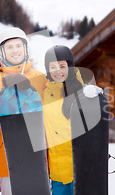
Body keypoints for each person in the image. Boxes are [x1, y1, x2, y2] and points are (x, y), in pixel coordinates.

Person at [0, 27, 47, 195]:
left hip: (35, 154)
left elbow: (51, 105)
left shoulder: (40, 77)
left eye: (18, 46)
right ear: (2, 52)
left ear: (25, 49)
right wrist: (7, 88)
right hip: (7, 154)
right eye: (9, 47)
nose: (15, 50)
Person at [43, 45, 85, 195]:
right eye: (53, 67)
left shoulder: (82, 91)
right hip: (57, 167)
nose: (58, 71)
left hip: (78, 165)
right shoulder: (44, 93)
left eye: (62, 66)